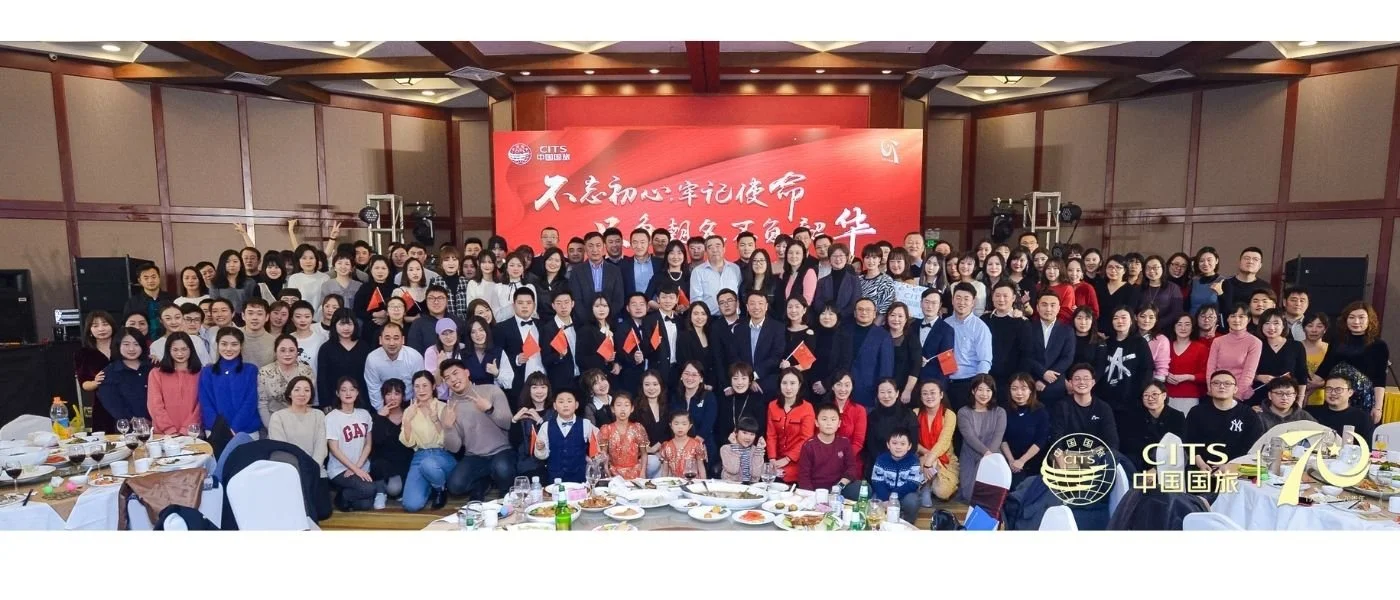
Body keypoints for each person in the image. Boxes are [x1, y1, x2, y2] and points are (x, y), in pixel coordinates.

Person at [441, 360, 516, 500]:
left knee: (503, 470)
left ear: (467, 373)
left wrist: (490, 409)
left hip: (501, 450)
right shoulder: (449, 408)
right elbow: (454, 448)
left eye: (455, 373)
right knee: (455, 486)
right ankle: (483, 482)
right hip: (474, 456)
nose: (453, 379)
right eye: (448, 378)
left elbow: (508, 423)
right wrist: (448, 428)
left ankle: (502, 489)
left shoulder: (491, 390)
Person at [1316, 301, 1388, 423]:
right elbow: (1324, 368)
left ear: (1370, 320)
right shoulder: (1337, 341)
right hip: (1336, 397)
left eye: (1361, 317)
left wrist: (1378, 408)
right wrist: (1304, 388)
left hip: (1365, 400)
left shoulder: (1379, 345)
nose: (1356, 321)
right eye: (1352, 317)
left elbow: (1380, 379)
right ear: (1345, 320)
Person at [400, 371, 456, 512]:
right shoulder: (409, 410)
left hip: (442, 455)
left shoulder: (443, 407)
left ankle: (440, 489)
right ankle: (432, 485)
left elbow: (448, 441)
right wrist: (407, 421)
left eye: (425, 385)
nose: (421, 390)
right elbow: (409, 443)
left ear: (433, 386)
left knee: (428, 464)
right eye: (417, 386)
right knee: (411, 505)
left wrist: (435, 420)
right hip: (419, 455)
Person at [1184, 370, 1263, 470]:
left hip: (1236, 469)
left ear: (1235, 389)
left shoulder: (1248, 414)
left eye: (1227, 383)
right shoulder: (1196, 412)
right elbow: (1189, 441)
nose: (1222, 386)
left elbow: (1253, 444)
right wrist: (1201, 464)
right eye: (1216, 383)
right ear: (1210, 388)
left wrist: (1231, 466)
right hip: (1201, 468)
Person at [199, 327, 260, 438]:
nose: (228, 348)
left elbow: (250, 402)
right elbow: (206, 403)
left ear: (241, 346)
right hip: (215, 430)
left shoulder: (251, 370)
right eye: (224, 344)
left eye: (234, 344)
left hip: (246, 430)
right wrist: (220, 429)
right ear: (217, 345)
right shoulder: (207, 372)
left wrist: (235, 427)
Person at [956, 374, 1007, 503]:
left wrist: (989, 456)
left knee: (988, 495)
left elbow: (998, 437)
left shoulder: (1000, 412)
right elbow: (969, 437)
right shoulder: (963, 412)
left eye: (988, 390)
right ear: (973, 391)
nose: (984, 394)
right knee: (969, 495)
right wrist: (985, 452)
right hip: (970, 454)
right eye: (980, 389)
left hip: (992, 454)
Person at [268, 376, 329, 482]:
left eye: (307, 390)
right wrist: (298, 470)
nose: (302, 394)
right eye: (297, 390)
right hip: (289, 472)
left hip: (316, 471)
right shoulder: (278, 417)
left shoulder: (319, 415)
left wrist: (312, 468)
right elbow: (282, 449)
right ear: (289, 394)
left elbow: (321, 447)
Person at [1096, 307, 1154, 417]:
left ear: (1132, 321)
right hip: (1106, 400)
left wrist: (1140, 392)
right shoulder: (1106, 343)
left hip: (1131, 400)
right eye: (1116, 318)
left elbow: (1147, 369)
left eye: (1124, 317)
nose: (1120, 321)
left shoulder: (1140, 342)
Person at [1021, 291, 1074, 407]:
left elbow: (1067, 358)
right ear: (1037, 307)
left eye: (1052, 305)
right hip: (1031, 384)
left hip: (1056, 386)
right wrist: (1042, 373)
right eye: (1044, 305)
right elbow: (1025, 355)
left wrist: (1045, 379)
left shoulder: (1067, 330)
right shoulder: (1028, 327)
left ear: (1059, 308)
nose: (1048, 309)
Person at [533, 390, 598, 483]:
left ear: (576, 405)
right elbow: (541, 456)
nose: (565, 405)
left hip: (580, 479)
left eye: (569, 401)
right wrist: (541, 448)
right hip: (555, 479)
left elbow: (599, 441)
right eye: (561, 402)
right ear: (555, 406)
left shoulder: (585, 424)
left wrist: (592, 457)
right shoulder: (546, 426)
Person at [1050, 364, 1120, 451]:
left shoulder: (1103, 408)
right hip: (1068, 456)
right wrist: (1060, 458)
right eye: (1077, 379)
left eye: (1086, 379)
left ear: (1093, 382)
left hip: (1097, 455)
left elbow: (1112, 441)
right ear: (1070, 383)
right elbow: (1056, 439)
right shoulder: (1061, 406)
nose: (1082, 382)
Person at [1119, 381, 1185, 472]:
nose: (1150, 398)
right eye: (1146, 395)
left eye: (1155, 394)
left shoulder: (1177, 416)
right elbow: (1131, 443)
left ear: (1164, 395)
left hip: (1166, 461)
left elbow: (1178, 444)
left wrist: (1156, 468)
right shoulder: (1134, 416)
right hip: (1142, 460)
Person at [946, 282, 993, 410]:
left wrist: (978, 386)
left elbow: (985, 360)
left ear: (973, 302)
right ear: (952, 300)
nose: (962, 302)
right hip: (946, 383)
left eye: (966, 299)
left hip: (968, 383)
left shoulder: (980, 327)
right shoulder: (945, 324)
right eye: (958, 298)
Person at [147, 332, 203, 434]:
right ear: (168, 351)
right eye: (175, 350)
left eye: (184, 349)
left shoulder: (201, 374)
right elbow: (155, 405)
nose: (180, 354)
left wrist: (186, 429)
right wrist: (169, 430)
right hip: (163, 434)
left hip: (193, 433)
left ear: (191, 350)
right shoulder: (156, 374)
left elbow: (200, 406)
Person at [732, 290, 785, 397]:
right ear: (747, 307)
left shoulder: (778, 328)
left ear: (766, 306)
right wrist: (747, 378)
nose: (756, 307)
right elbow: (735, 355)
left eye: (760, 303)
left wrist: (754, 376)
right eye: (752, 304)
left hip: (767, 381)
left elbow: (776, 356)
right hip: (742, 382)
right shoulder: (738, 329)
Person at [765, 368, 814, 483]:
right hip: (776, 460)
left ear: (799, 385)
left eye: (792, 383)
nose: (788, 388)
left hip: (798, 461)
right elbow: (771, 435)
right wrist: (772, 458)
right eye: (784, 383)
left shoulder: (807, 408)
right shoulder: (772, 405)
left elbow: (806, 439)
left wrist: (787, 459)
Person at [1206, 303, 1263, 403]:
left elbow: (1249, 372)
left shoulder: (1255, 342)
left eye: (1241, 316)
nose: (1236, 320)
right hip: (1216, 392)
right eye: (1233, 316)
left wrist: (1237, 396)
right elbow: (1210, 368)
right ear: (1227, 319)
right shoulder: (1218, 341)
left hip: (1240, 396)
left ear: (1249, 319)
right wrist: (1212, 389)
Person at [798, 404, 859, 494]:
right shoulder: (809, 446)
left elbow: (851, 468)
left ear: (839, 423)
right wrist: (812, 496)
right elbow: (804, 477)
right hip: (816, 490)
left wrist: (840, 486)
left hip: (839, 488)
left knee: (862, 488)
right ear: (816, 423)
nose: (829, 423)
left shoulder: (844, 443)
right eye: (824, 419)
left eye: (833, 419)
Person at [914, 379, 959, 504]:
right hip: (920, 456)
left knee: (943, 492)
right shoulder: (915, 413)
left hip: (945, 459)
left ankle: (929, 484)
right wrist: (926, 453)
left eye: (933, 392)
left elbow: (944, 442)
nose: (929, 396)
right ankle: (926, 487)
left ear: (941, 395)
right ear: (921, 397)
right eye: (925, 393)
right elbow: (911, 441)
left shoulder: (949, 414)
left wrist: (929, 461)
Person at [258, 335, 315, 430]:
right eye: (283, 350)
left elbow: (309, 401)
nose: (287, 354)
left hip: (301, 423)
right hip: (273, 422)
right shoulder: (265, 372)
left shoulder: (306, 371)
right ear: (275, 352)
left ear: (297, 352)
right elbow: (262, 404)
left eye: (291, 350)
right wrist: (272, 428)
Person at [364, 323, 425, 411]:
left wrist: (415, 410)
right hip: (385, 403)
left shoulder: (415, 357)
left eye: (396, 338)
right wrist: (381, 410)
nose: (391, 343)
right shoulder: (372, 359)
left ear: (403, 340)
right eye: (387, 338)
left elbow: (419, 386)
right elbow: (374, 389)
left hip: (410, 402)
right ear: (380, 340)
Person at [97, 327, 152, 423]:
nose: (131, 349)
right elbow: (112, 404)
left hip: (158, 425)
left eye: (136, 344)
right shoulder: (109, 373)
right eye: (126, 344)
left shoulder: (152, 368)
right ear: (118, 345)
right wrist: (136, 421)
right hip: (126, 427)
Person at [568, 231, 625, 323]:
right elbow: (576, 299)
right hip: (585, 323)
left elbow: (619, 299)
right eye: (590, 246)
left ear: (604, 246)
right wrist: (589, 320)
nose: (595, 250)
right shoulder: (577, 271)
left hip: (610, 321)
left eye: (598, 245)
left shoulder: (615, 270)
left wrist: (606, 318)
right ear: (585, 248)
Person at [847, 298, 894, 408]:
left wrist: (882, 391)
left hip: (869, 392)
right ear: (855, 313)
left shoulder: (883, 336)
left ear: (874, 314)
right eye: (860, 309)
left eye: (868, 310)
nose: (864, 312)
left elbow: (886, 367)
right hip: (843, 388)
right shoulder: (844, 331)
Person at [370, 379, 411, 502]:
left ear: (403, 396)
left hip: (404, 464)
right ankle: (380, 492)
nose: (392, 397)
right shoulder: (377, 417)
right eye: (388, 394)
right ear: (383, 397)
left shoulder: (409, 414)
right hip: (384, 465)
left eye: (397, 393)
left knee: (397, 491)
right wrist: (381, 418)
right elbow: (377, 441)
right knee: (393, 489)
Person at [984, 281, 1026, 398]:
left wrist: (1018, 380)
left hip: (1012, 381)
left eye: (1005, 296)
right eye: (997, 295)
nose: (1001, 299)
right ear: (992, 297)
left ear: (1013, 298)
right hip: (986, 379)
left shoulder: (1022, 322)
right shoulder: (984, 320)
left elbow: (1026, 354)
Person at [1255, 308, 1309, 401]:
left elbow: (1302, 376)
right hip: (1260, 397)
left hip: (1287, 398)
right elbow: (1246, 371)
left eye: (1276, 323)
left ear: (1283, 325)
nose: (1271, 327)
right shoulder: (1256, 345)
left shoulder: (1296, 346)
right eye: (1267, 323)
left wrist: (1300, 400)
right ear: (1261, 326)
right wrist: (1258, 377)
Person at [824, 370, 868, 475]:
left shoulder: (859, 410)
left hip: (849, 461)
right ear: (832, 387)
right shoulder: (824, 409)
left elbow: (858, 442)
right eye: (838, 384)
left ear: (852, 387)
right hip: (824, 460)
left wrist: (840, 458)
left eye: (847, 385)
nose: (843, 389)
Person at [671, 361, 718, 461]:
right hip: (678, 444)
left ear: (701, 378)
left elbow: (707, 424)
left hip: (702, 444)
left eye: (694, 375)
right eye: (686, 374)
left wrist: (692, 446)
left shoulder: (708, 397)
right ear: (681, 376)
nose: (690, 378)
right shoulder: (675, 397)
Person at [1165, 313, 1209, 416]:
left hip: (1190, 397)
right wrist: (1165, 375)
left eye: (1187, 324)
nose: (1183, 328)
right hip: (1166, 395)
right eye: (1179, 324)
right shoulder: (1166, 346)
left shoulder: (1201, 348)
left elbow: (1206, 375)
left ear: (1192, 328)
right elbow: (1156, 368)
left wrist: (1188, 377)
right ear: (1174, 327)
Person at [1307, 375, 1374, 442]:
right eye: (1329, 389)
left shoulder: (1362, 418)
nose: (1333, 393)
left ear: (1350, 392)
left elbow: (1367, 446)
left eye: (1338, 389)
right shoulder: (1311, 413)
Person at [598, 392, 649, 479]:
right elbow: (604, 455)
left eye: (626, 405)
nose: (622, 409)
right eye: (619, 405)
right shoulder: (606, 429)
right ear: (613, 409)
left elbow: (644, 454)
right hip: (613, 474)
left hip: (635, 474)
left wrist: (643, 472)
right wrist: (607, 472)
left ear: (632, 408)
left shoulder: (638, 428)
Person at [676, 301, 722, 391]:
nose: (700, 317)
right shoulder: (684, 336)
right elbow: (684, 363)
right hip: (693, 385)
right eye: (696, 314)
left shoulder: (710, 334)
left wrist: (711, 383)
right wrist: (701, 384)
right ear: (690, 316)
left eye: (703, 314)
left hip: (712, 385)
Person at [914, 289, 956, 384]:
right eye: (926, 302)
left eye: (934, 303)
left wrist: (940, 388)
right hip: (912, 382)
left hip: (933, 383)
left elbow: (948, 365)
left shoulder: (947, 330)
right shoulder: (912, 325)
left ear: (940, 305)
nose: (929, 306)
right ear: (921, 303)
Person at [405, 285, 462, 355]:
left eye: (440, 298)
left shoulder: (457, 322)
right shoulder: (418, 324)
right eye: (431, 298)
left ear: (447, 300)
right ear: (426, 301)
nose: (436, 302)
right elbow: (414, 353)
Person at [123, 264, 176, 338]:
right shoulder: (132, 303)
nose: (150, 281)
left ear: (159, 278)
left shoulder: (173, 299)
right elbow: (127, 327)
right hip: (143, 341)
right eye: (146, 278)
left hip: (170, 339)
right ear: (140, 281)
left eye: (153, 277)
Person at [352, 256, 396, 343]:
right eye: (376, 268)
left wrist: (387, 316)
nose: (380, 271)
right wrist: (374, 314)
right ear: (371, 270)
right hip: (369, 330)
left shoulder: (395, 288)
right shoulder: (364, 288)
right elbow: (356, 311)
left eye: (383, 268)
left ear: (388, 270)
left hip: (392, 329)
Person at [635, 370, 671, 477]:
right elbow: (635, 433)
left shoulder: (668, 405)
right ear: (642, 386)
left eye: (655, 384)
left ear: (661, 385)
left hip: (664, 451)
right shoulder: (636, 407)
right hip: (643, 455)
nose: (651, 388)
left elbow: (670, 431)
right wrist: (650, 450)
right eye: (647, 384)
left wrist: (657, 447)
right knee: (653, 462)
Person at [884, 302, 921, 403]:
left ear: (906, 319)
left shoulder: (912, 337)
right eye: (892, 315)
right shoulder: (880, 334)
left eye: (900, 316)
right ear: (887, 317)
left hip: (903, 388)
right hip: (881, 388)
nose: (896, 319)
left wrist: (907, 390)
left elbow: (916, 366)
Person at [812, 243, 859, 320]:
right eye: (834, 256)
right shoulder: (822, 281)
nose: (838, 259)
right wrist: (828, 315)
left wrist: (838, 315)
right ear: (829, 259)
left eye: (841, 256)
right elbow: (818, 303)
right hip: (826, 320)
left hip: (846, 321)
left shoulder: (854, 280)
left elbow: (855, 303)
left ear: (846, 258)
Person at [1219, 247, 1270, 315]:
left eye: (1255, 259)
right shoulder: (1225, 284)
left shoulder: (1265, 287)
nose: (1250, 262)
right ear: (1239, 262)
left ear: (1260, 265)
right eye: (1246, 258)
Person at [657, 411, 707, 478]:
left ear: (689, 426)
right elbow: (665, 470)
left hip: (693, 482)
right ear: (671, 426)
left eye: (684, 424)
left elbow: (701, 467)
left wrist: (703, 482)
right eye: (676, 424)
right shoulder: (666, 446)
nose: (680, 427)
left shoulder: (696, 444)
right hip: (675, 482)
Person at [718, 416, 767, 483]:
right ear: (736, 433)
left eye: (752, 434)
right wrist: (735, 446)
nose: (748, 437)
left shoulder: (756, 450)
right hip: (732, 486)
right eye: (744, 433)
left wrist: (759, 451)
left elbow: (756, 474)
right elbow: (733, 470)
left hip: (751, 487)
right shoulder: (726, 449)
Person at [1139, 255, 1184, 327]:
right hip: (1142, 327)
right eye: (1148, 268)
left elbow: (1176, 312)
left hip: (1166, 328)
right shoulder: (1139, 288)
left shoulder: (1173, 288)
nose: (1151, 271)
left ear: (1163, 268)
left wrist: (1157, 324)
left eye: (1155, 267)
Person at [647, 241, 690, 310]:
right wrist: (665, 309)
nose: (675, 257)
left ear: (684, 256)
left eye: (679, 253)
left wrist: (686, 307)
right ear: (666, 255)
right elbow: (647, 299)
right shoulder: (658, 276)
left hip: (686, 315)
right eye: (672, 253)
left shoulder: (689, 276)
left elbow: (694, 300)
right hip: (662, 315)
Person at [620, 227, 662, 297]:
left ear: (649, 242)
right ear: (631, 244)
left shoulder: (660, 264)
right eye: (635, 242)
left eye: (642, 242)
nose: (639, 246)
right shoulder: (623, 265)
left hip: (656, 303)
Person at [531, 248, 570, 321]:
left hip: (559, 323)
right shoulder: (535, 283)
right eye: (550, 259)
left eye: (557, 261)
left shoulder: (566, 284)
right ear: (544, 261)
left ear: (561, 263)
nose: (553, 263)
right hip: (538, 322)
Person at [320, 254, 363, 319]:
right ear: (334, 267)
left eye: (347, 264)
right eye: (339, 263)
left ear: (351, 268)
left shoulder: (359, 286)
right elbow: (323, 307)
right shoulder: (327, 285)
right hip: (333, 320)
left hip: (354, 321)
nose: (343, 267)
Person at [288, 300, 327, 373]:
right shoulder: (287, 340)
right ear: (292, 319)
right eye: (298, 317)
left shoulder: (321, 340)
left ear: (312, 317)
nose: (303, 320)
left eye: (307, 316)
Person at [1301, 312, 1330, 407]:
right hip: (1296, 399)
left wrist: (1320, 384)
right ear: (1303, 328)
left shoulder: (1331, 350)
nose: (1314, 330)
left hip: (1326, 401)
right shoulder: (1294, 347)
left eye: (1319, 326)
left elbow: (1339, 377)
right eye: (1310, 326)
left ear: (1325, 329)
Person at [857, 244, 895, 316]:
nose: (871, 261)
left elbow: (885, 308)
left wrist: (875, 323)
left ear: (879, 260)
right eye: (867, 257)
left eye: (874, 257)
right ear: (863, 260)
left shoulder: (886, 280)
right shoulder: (858, 280)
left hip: (877, 320)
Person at [1136, 305, 1170, 381]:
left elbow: (1162, 369)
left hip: (1150, 382)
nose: (1146, 320)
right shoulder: (1130, 337)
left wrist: (1154, 386)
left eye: (1151, 317)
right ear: (1136, 317)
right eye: (1142, 316)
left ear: (1156, 320)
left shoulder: (1162, 340)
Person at [1188, 247, 1223, 314]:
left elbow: (1227, 307)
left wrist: (1220, 293)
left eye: (1209, 260)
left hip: (1211, 319)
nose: (1205, 264)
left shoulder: (1223, 281)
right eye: (1201, 261)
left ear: (1216, 261)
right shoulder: (1193, 281)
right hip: (1192, 319)